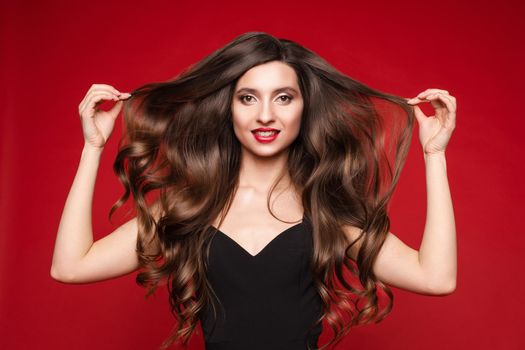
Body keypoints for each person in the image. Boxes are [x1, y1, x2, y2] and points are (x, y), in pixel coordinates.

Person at [50, 31, 457, 350]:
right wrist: (93, 148)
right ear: (228, 108)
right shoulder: (189, 207)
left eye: (284, 98)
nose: (266, 114)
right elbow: (71, 267)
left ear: (304, 108)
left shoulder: (326, 209)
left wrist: (434, 155)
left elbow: (435, 279)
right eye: (248, 98)